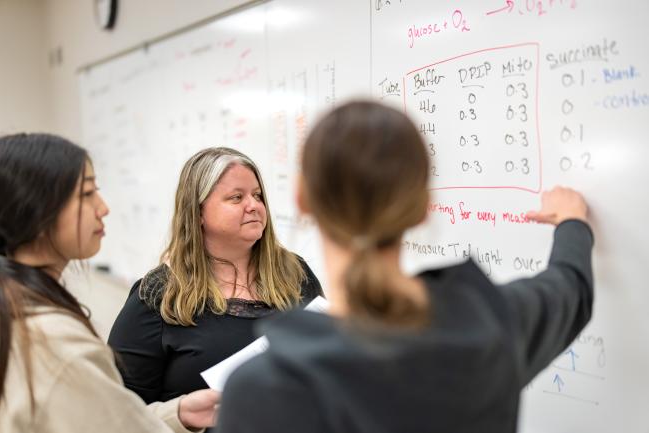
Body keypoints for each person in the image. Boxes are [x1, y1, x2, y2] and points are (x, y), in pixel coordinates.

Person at [216, 101, 594, 433]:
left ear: (302, 198)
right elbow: (571, 287)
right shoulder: (493, 323)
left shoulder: (265, 389)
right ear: (423, 204)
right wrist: (572, 224)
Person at [0, 133, 218, 433]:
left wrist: (176, 412)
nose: (103, 208)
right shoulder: (54, 341)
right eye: (87, 194)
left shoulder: (14, 304)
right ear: (36, 208)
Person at [108, 147, 323, 404]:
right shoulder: (157, 297)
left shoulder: (294, 273)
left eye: (257, 195)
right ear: (198, 212)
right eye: (236, 197)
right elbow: (123, 411)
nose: (253, 206)